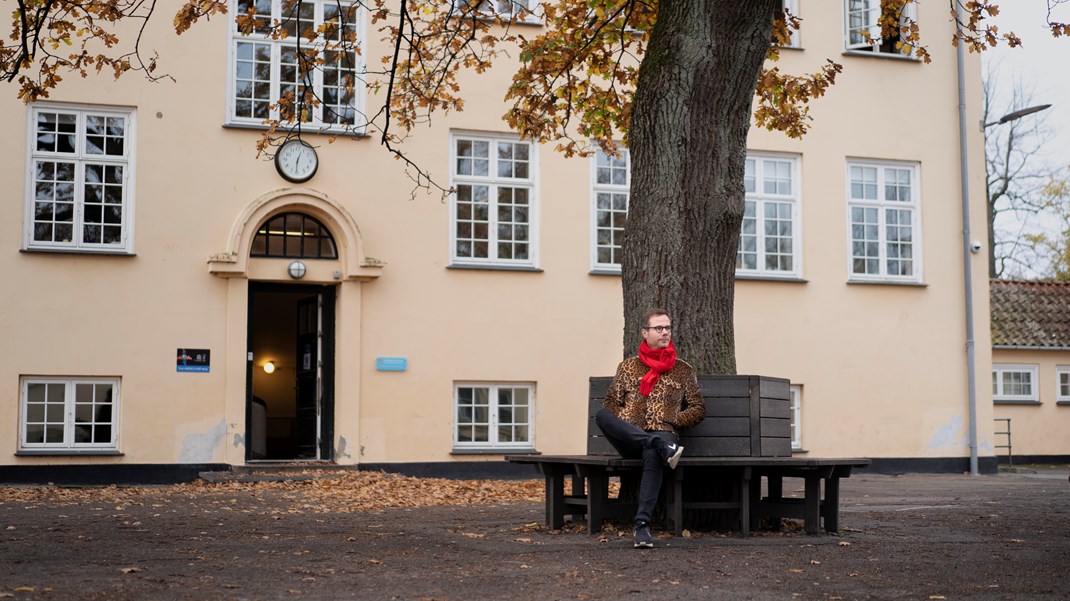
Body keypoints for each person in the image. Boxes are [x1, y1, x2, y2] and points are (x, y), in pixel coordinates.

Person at [596, 308, 706, 549]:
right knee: (602, 415)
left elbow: (698, 409)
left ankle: (641, 526)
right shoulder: (626, 368)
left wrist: (674, 418)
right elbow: (610, 405)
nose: (665, 332)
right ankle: (655, 444)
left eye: (667, 327)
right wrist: (626, 421)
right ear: (645, 333)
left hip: (664, 433)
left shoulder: (683, 369)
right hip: (631, 437)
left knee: (654, 451)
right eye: (659, 328)